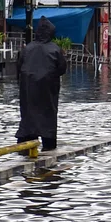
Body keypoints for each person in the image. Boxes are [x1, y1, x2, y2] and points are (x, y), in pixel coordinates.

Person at [16, 17, 67, 151]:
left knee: (28, 115)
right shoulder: (55, 49)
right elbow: (62, 68)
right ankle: (48, 142)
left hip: (28, 88)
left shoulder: (27, 48)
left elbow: (19, 66)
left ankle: (26, 142)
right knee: (48, 116)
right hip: (48, 90)